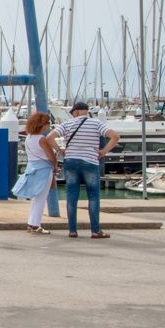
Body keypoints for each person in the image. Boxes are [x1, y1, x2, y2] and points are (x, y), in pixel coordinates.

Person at [55, 100, 121, 239]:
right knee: (93, 196)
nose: (73, 115)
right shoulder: (96, 123)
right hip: (90, 162)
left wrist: (60, 150)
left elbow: (49, 138)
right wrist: (103, 151)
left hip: (71, 161)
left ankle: (72, 230)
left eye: (73, 113)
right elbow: (115, 136)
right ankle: (95, 231)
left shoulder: (67, 124)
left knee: (72, 196)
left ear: (77, 111)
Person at [13, 109, 61, 233]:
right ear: (42, 125)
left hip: (33, 168)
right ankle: (35, 225)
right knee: (41, 197)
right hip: (44, 170)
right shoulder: (42, 139)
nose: (48, 126)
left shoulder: (28, 138)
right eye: (47, 123)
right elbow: (51, 156)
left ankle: (32, 223)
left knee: (36, 198)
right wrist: (55, 166)